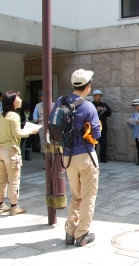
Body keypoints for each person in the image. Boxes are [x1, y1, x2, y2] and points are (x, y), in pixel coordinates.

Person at [51, 69, 101, 247]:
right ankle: (82, 234)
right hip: (86, 155)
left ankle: (70, 232)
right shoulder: (88, 106)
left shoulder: (60, 102)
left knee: (76, 195)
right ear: (88, 87)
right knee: (88, 196)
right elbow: (96, 133)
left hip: (67, 157)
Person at [0, 90, 39, 215]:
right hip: (10, 150)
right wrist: (31, 131)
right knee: (14, 179)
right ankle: (14, 207)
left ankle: (0, 205)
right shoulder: (14, 116)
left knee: (1, 178)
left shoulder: (2, 114)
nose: (20, 100)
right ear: (12, 101)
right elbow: (18, 133)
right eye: (18, 98)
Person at [33, 91, 54, 161]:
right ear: (41, 98)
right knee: (43, 145)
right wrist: (37, 119)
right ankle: (46, 163)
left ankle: (52, 163)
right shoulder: (38, 106)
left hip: (52, 128)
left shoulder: (54, 105)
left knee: (51, 144)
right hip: (42, 128)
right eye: (43, 97)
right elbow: (34, 117)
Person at [92, 90, 111, 163]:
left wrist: (106, 110)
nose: (98, 97)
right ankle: (93, 158)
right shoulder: (91, 105)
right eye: (97, 96)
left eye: (100, 96)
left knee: (103, 144)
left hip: (103, 128)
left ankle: (103, 158)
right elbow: (88, 115)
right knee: (94, 144)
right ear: (94, 96)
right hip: (94, 128)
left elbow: (109, 114)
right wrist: (96, 111)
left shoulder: (104, 104)